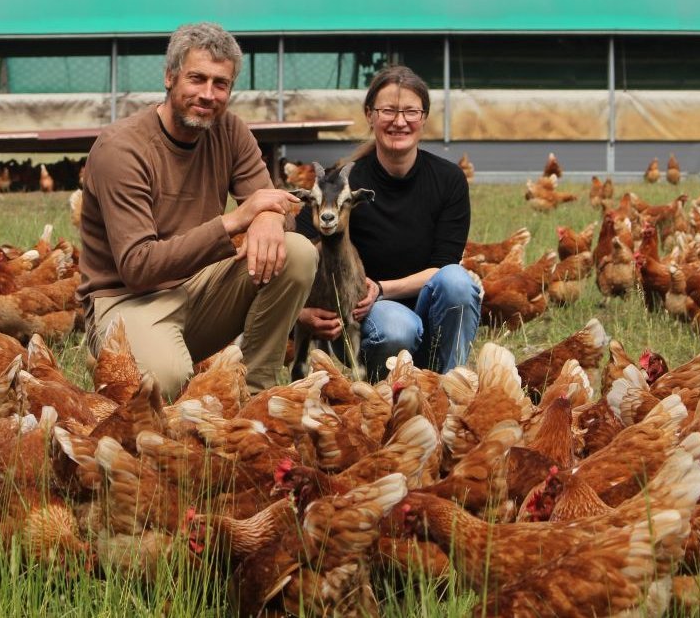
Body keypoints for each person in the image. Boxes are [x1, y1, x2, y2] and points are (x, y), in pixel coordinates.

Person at [79, 22, 317, 398]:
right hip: (127, 300)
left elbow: (275, 204)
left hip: (198, 288)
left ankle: (254, 394)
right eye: (197, 79)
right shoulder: (122, 149)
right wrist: (237, 219)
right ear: (169, 77)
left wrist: (269, 216)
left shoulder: (230, 130)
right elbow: (138, 267)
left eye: (220, 84)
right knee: (162, 382)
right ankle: (127, 363)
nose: (208, 94)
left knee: (298, 253)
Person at [295, 65, 481, 378]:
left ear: (423, 117)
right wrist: (299, 314)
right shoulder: (339, 184)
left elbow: (444, 267)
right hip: (368, 318)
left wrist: (381, 288)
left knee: (458, 282)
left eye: (410, 111)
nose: (399, 121)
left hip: (423, 308)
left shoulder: (449, 180)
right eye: (388, 110)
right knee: (397, 327)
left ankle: (445, 384)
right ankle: (384, 393)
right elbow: (297, 251)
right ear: (369, 115)